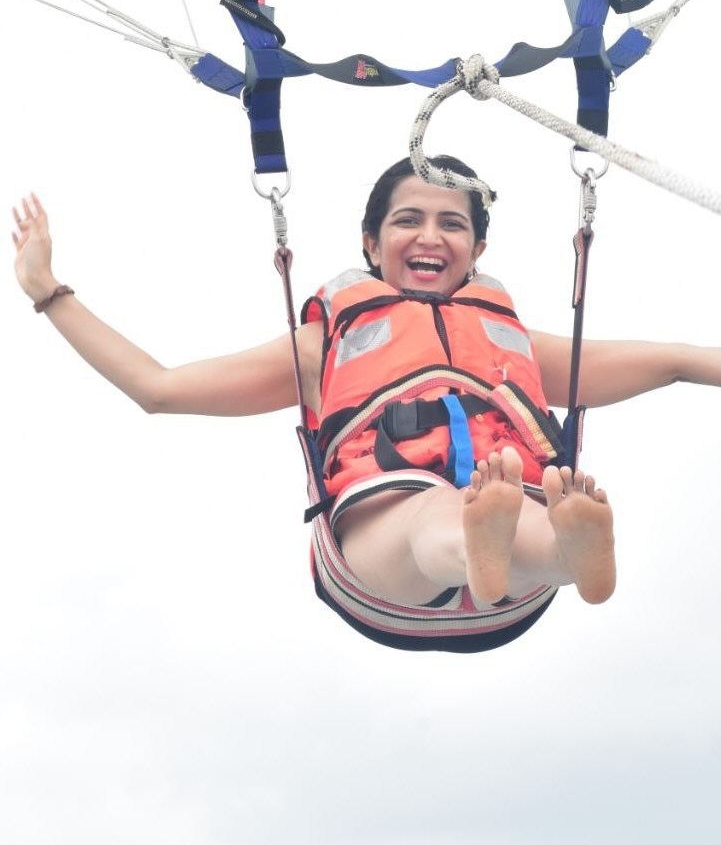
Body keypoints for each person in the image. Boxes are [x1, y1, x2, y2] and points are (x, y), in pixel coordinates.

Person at [11, 158, 721, 649]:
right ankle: (502, 543)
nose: (430, 236)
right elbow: (156, 388)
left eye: (451, 224)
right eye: (408, 219)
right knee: (438, 509)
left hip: (518, 581)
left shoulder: (511, 346)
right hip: (381, 574)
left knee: (510, 504)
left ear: (475, 249)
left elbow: (679, 362)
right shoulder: (325, 346)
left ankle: (565, 551)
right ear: (369, 241)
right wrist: (48, 290)